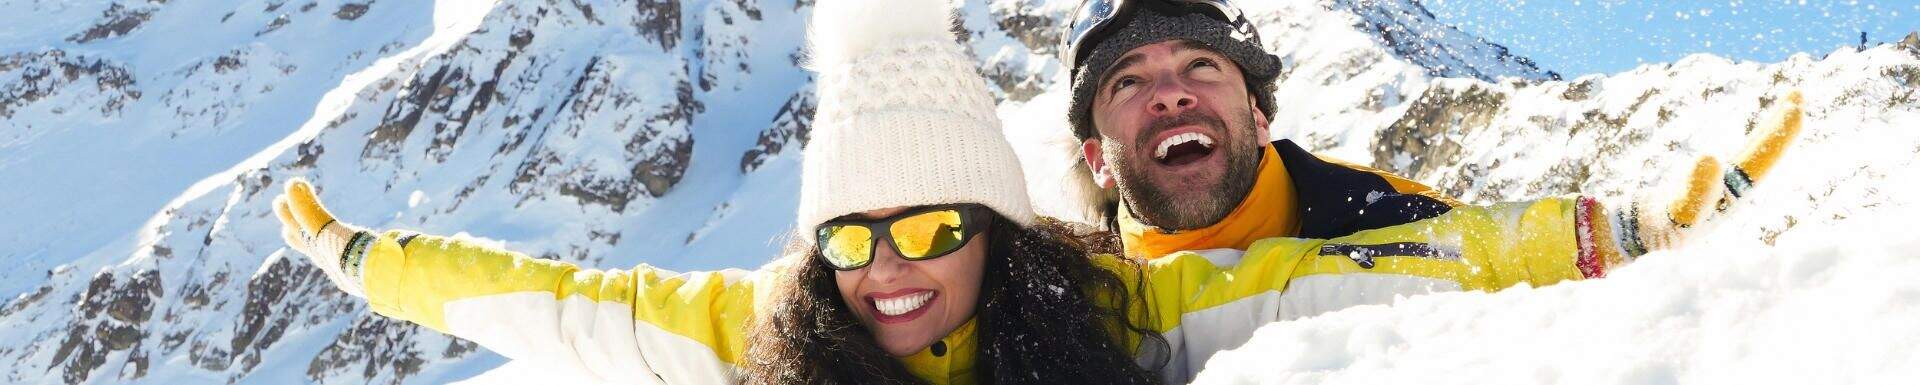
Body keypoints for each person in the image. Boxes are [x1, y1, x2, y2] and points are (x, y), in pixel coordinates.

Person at [270, 1, 1684, 383]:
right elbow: (555, 303)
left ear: (1001, 234)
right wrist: (361, 258)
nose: (889, 267)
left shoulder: (1125, 308)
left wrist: (1603, 232)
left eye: (936, 228)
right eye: (851, 237)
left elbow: (1355, 272)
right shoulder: (766, 333)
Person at [1058, 0, 1800, 259]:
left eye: (1201, 65)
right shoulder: (1073, 298)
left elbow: (1503, 255)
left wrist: (1639, 235)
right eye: (1128, 82)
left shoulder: (1388, 217)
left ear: (1257, 115)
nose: (1171, 96)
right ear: (1097, 158)